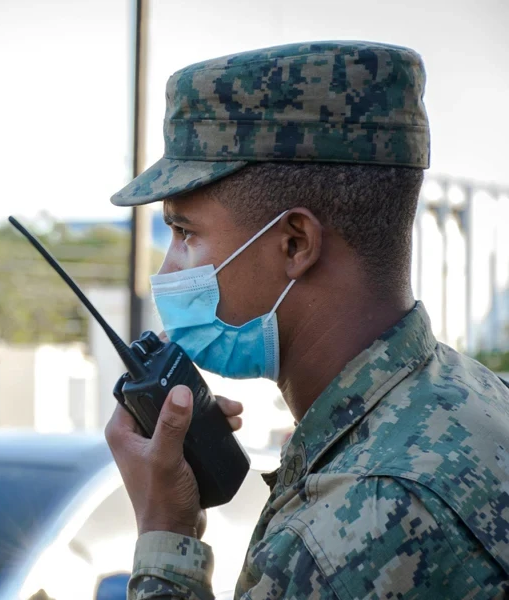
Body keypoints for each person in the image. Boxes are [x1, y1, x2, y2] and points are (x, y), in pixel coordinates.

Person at [104, 40, 509, 599]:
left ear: (295, 243)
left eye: (184, 232)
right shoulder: (479, 396)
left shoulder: (343, 535)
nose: (170, 266)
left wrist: (166, 536)